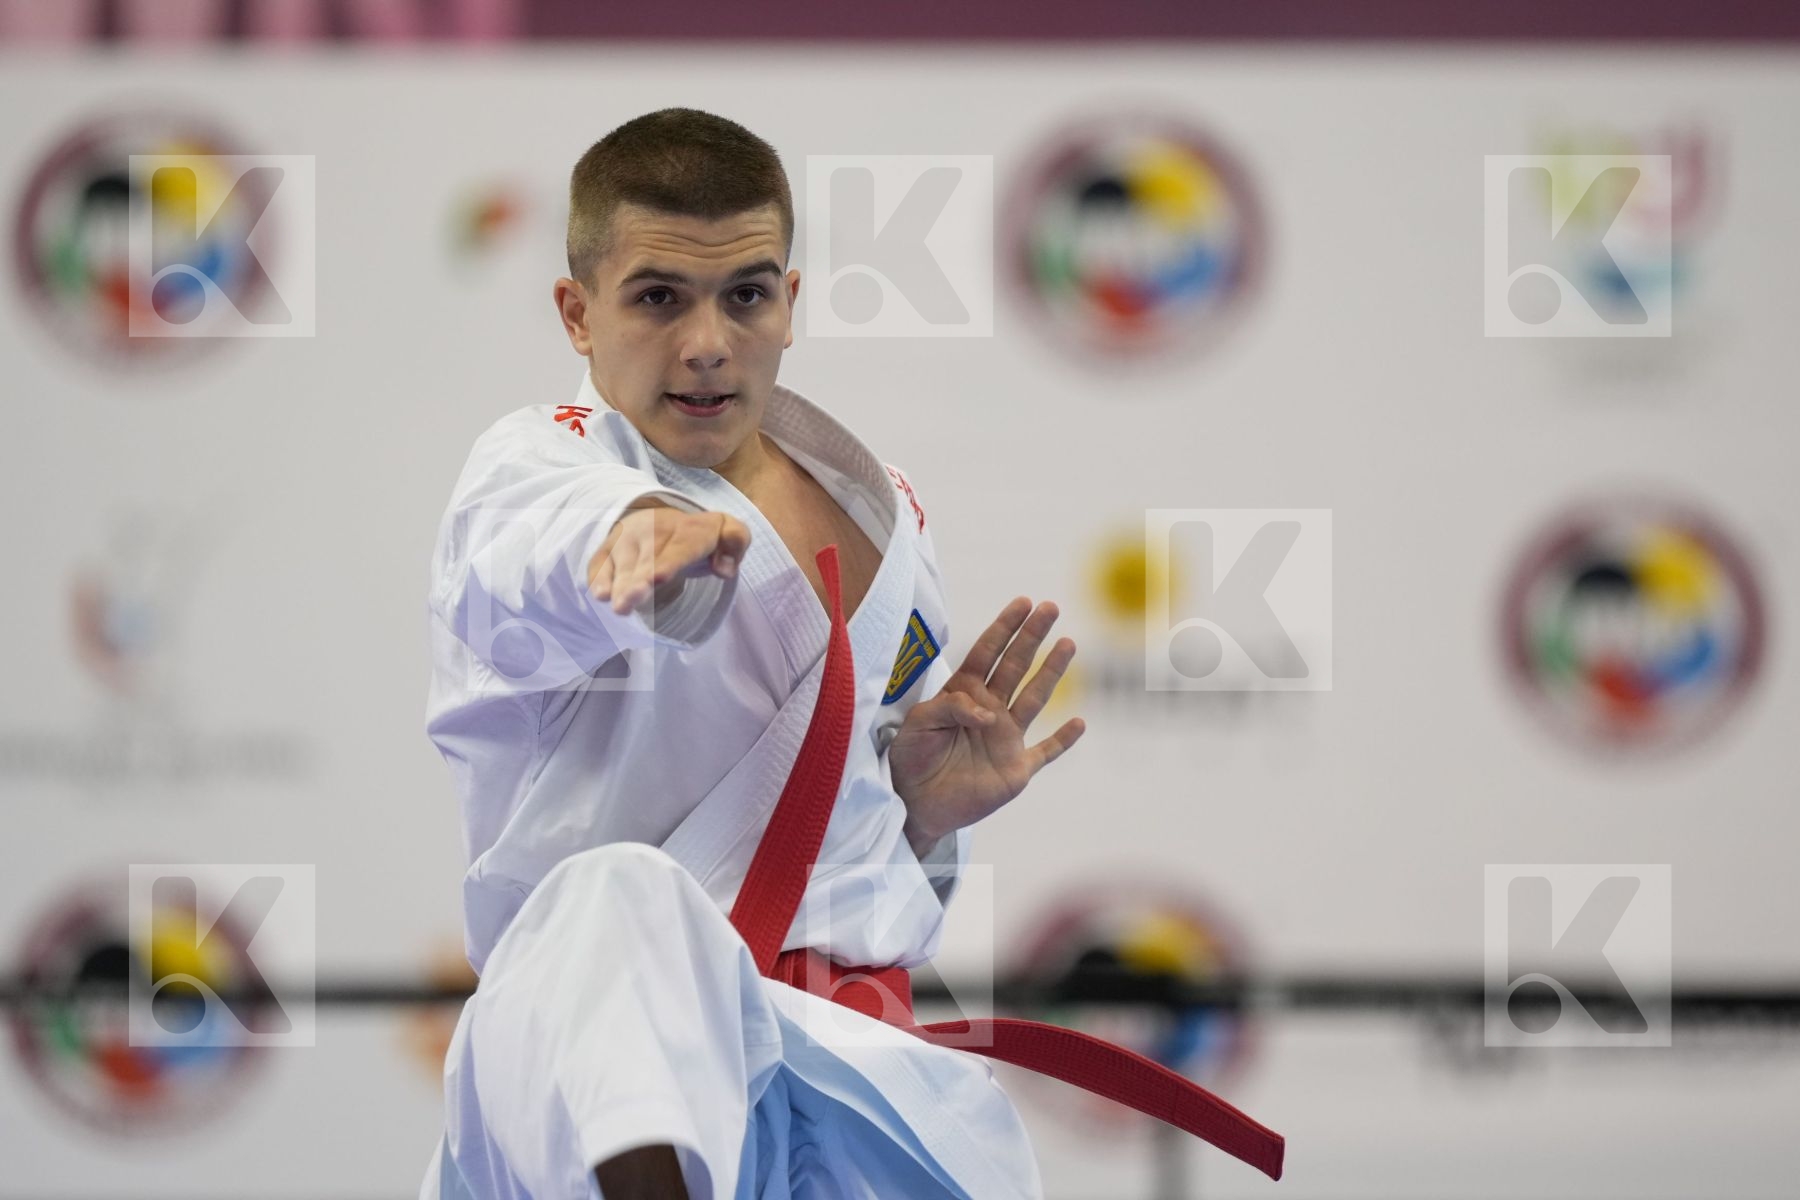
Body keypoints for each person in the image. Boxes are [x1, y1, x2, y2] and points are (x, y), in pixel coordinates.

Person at [418, 108, 1281, 1200]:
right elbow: (533, 562)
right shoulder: (542, 468)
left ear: (791, 302)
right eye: (657, 297)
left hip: (838, 1051)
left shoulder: (886, 511)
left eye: (745, 293)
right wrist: (628, 543)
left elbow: (850, 845)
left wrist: (912, 809)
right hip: (599, 1063)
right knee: (622, 899)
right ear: (577, 314)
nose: (705, 341)